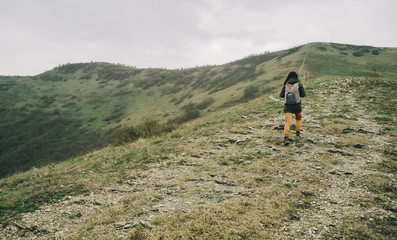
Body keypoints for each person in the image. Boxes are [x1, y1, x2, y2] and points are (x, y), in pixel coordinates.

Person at [279, 71, 306, 144]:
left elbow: (281, 95)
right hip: (297, 105)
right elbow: (303, 95)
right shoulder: (299, 84)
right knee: (298, 119)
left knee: (287, 122)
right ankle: (297, 134)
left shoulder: (286, 85)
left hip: (288, 106)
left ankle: (286, 137)